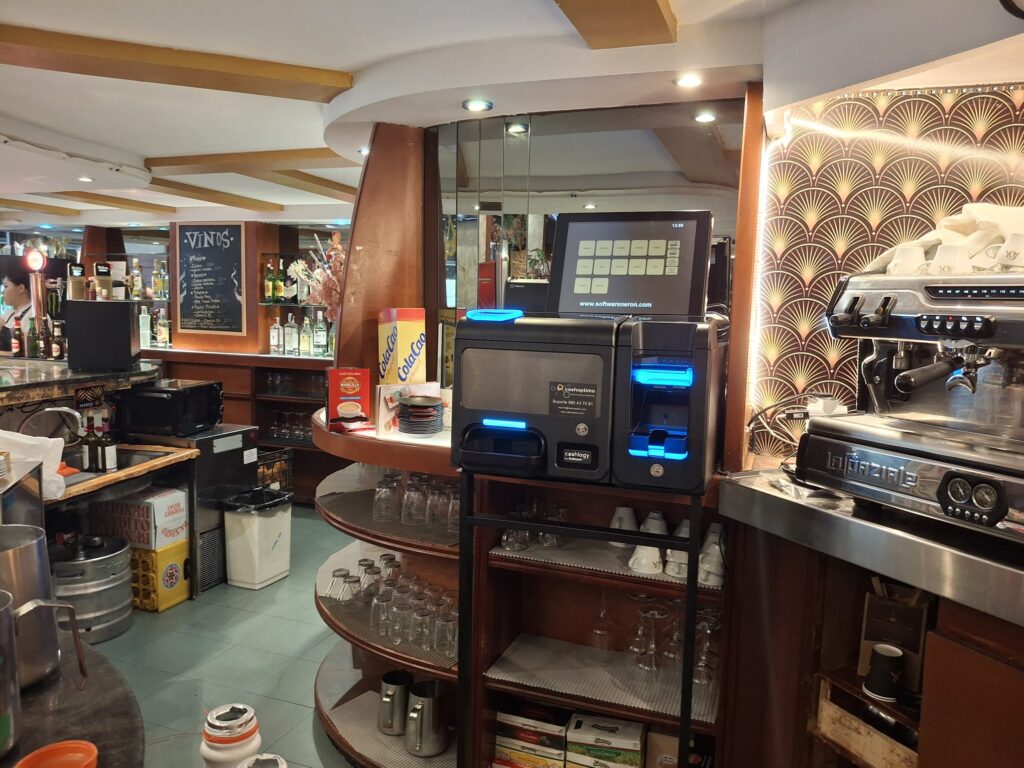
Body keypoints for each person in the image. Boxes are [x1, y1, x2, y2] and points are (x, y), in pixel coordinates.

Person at [1, 265, 34, 353]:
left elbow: (29, 352)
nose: (2, 292)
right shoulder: (8, 314)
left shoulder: (34, 315)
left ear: (21, 288)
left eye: (6, 286)